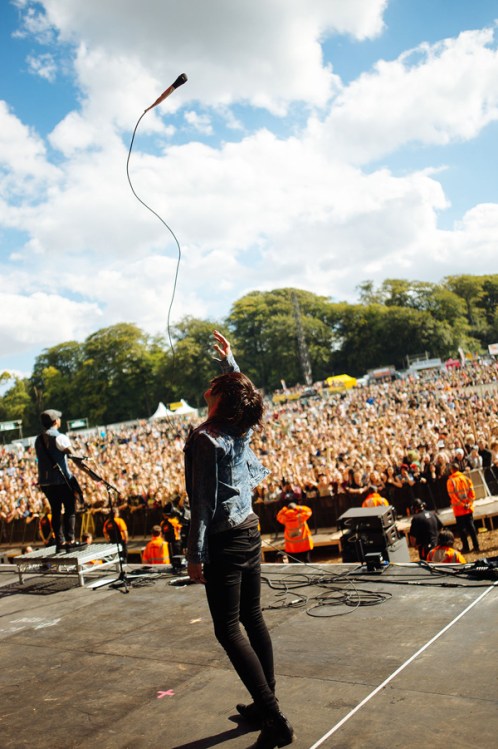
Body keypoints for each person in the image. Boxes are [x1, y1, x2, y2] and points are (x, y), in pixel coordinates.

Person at [185, 330, 294, 749]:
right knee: (252, 617)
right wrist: (231, 363)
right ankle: (265, 703)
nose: (208, 388)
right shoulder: (240, 425)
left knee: (228, 629)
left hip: (224, 539)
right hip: (248, 528)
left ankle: (274, 717)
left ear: (221, 398)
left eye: (216, 385)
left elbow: (202, 503)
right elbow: (245, 396)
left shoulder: (207, 438)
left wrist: (194, 554)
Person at [34, 409, 79, 553]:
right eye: (59, 418)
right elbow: (74, 455)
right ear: (55, 421)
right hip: (61, 480)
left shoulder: (38, 439)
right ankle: (70, 541)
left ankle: (60, 543)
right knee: (70, 508)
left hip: (45, 482)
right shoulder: (60, 437)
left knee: (55, 510)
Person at [446, 462, 480, 553]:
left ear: (451, 470)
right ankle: (476, 546)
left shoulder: (451, 481)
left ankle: (466, 548)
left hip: (459, 510)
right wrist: (469, 504)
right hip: (468, 508)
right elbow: (472, 493)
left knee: (462, 530)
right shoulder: (466, 478)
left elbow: (453, 496)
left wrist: (462, 505)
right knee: (471, 528)